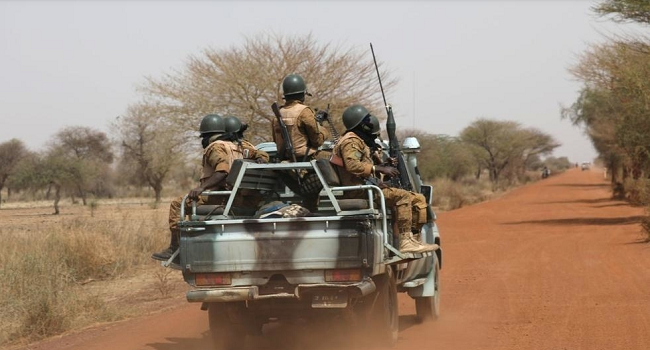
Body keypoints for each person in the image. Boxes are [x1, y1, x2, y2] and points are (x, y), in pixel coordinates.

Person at [152, 114, 269, 262]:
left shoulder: (216, 147)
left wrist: (201, 188)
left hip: (224, 198)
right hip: (242, 198)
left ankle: (175, 249)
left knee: (177, 204)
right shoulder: (242, 146)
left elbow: (222, 171)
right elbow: (262, 155)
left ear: (207, 136)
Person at [332, 105, 436, 254]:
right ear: (359, 123)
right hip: (360, 191)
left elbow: (363, 165)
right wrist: (379, 169)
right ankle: (405, 241)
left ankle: (414, 239)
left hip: (368, 188)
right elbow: (352, 165)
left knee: (419, 199)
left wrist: (383, 165)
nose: (370, 123)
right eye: (366, 120)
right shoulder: (351, 141)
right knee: (403, 196)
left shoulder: (358, 140)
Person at [272, 74, 330, 161]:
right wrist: (323, 130)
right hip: (306, 158)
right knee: (336, 159)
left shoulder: (277, 115)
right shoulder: (304, 111)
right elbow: (317, 141)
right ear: (302, 94)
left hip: (284, 158)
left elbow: (276, 141)